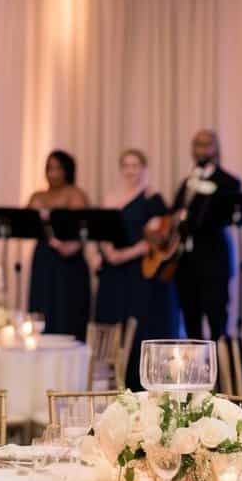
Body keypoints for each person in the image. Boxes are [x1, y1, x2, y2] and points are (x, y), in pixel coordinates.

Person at [90, 149, 181, 388]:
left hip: (139, 273)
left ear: (144, 169)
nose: (131, 171)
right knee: (112, 324)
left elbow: (163, 238)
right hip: (113, 274)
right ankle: (112, 384)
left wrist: (126, 254)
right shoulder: (111, 197)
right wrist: (105, 253)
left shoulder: (153, 198)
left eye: (136, 166)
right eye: (126, 166)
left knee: (140, 326)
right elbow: (103, 230)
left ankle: (138, 383)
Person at [170, 130, 241, 339]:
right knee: (191, 319)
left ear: (216, 148)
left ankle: (219, 370)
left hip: (213, 261)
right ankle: (195, 368)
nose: (202, 150)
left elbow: (225, 216)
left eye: (206, 144)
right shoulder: (187, 182)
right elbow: (174, 211)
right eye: (197, 145)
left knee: (216, 319)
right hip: (186, 262)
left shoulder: (228, 181)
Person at [27, 151, 90, 341]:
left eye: (57, 168)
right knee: (42, 307)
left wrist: (71, 247)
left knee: (66, 309)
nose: (53, 173)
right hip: (44, 259)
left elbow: (83, 228)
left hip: (67, 262)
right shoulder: (38, 195)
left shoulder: (75, 193)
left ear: (67, 170)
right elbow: (26, 225)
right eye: (49, 168)